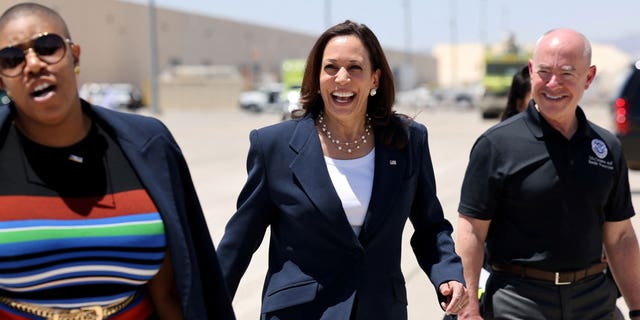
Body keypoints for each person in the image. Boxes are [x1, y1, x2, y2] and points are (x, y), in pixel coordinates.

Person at [217, 20, 467, 319]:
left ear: (375, 79)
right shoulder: (274, 145)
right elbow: (241, 239)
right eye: (331, 67)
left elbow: (430, 226)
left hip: (379, 310)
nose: (342, 78)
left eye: (355, 68)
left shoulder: (408, 141)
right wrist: (206, 305)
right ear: (317, 77)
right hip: (300, 313)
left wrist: (448, 274)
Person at [0, 3, 234, 320]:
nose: (33, 64)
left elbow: (173, 293)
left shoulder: (147, 146)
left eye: (47, 47)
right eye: (12, 59)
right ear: (2, 79)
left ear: (75, 56)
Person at [456, 28, 640, 320]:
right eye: (544, 71)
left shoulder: (606, 147)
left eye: (567, 72)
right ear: (531, 71)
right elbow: (471, 232)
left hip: (593, 300)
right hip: (519, 301)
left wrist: (637, 306)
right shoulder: (496, 145)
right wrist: (469, 309)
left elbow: (620, 237)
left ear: (589, 77)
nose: (553, 83)